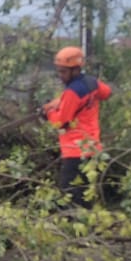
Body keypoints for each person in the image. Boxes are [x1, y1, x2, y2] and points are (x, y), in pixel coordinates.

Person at [43, 46, 113, 205]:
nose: (60, 76)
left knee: (69, 197)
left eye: (63, 72)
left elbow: (60, 122)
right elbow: (107, 93)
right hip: (93, 149)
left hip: (75, 152)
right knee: (87, 195)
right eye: (59, 71)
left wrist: (47, 113)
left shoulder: (72, 93)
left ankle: (70, 227)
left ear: (75, 70)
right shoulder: (91, 83)